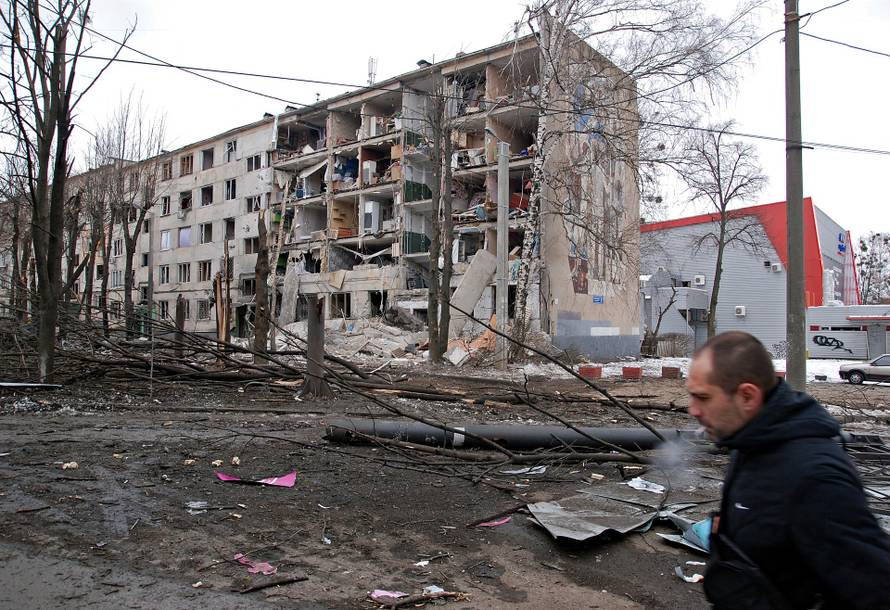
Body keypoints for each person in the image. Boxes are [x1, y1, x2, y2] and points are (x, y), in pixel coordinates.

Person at [686, 331, 890, 609]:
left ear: (747, 396)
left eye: (703, 398)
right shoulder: (749, 444)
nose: (693, 410)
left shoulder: (815, 478)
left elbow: (875, 591)